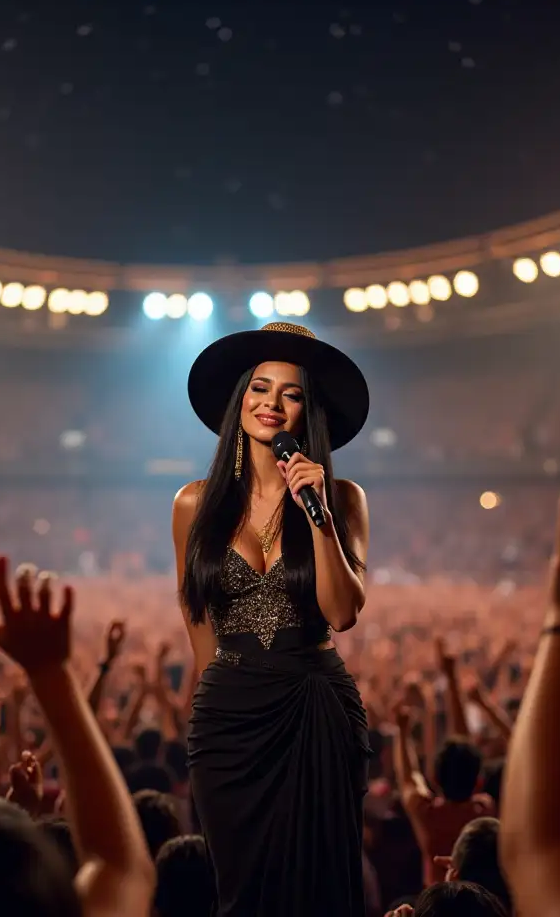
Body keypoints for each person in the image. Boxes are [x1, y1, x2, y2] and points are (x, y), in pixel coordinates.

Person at [174, 321, 372, 916]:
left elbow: (343, 613)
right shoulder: (193, 503)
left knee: (318, 892)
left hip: (315, 709)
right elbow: (198, 626)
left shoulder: (344, 498)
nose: (272, 404)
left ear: (307, 410)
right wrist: (207, 717)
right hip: (227, 724)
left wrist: (320, 518)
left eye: (291, 394)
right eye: (260, 388)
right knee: (236, 892)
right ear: (240, 401)